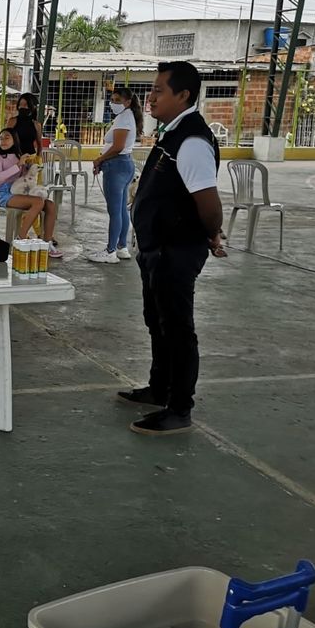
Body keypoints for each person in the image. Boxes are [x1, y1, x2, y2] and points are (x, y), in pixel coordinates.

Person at [119, 61, 226, 436]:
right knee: (157, 320)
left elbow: (208, 202)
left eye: (159, 90)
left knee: (177, 328)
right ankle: (159, 387)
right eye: (151, 89)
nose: (150, 97)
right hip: (157, 248)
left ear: (183, 95)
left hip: (176, 249)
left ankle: (180, 408)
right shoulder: (172, 133)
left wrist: (212, 233)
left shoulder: (192, 141)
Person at [87, 87, 142, 264]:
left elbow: (118, 147)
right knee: (121, 209)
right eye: (112, 100)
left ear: (128, 102)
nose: (113, 103)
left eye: (118, 100)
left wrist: (100, 159)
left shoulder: (124, 118)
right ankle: (121, 247)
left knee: (115, 210)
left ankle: (110, 251)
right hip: (124, 164)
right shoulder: (127, 116)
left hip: (116, 166)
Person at [0, 129, 62, 256]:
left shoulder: (18, 156)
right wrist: (18, 165)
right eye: (1, 138)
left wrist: (28, 167)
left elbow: (23, 178)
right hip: (5, 194)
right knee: (38, 202)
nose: (3, 141)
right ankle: (21, 237)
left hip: (21, 191)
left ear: (14, 140)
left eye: (7, 138)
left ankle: (47, 243)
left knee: (50, 205)